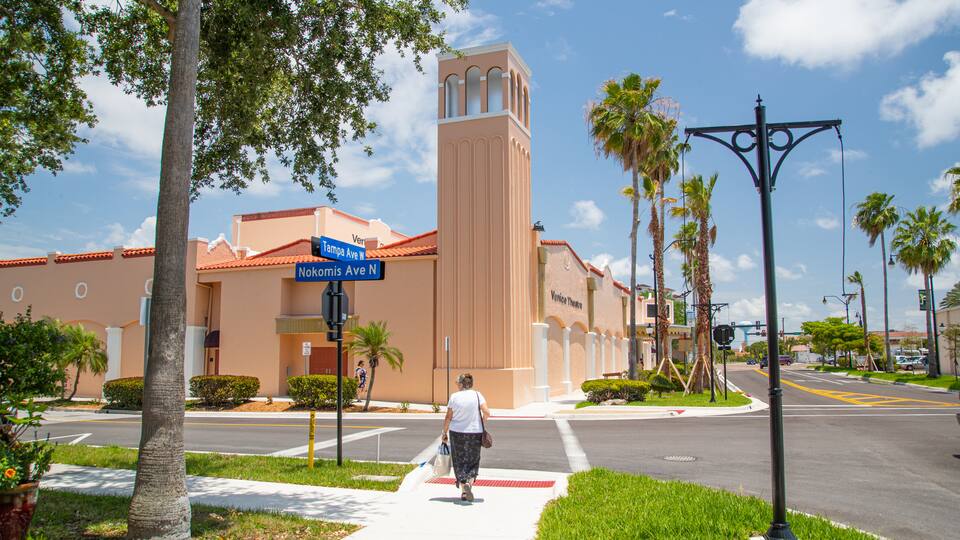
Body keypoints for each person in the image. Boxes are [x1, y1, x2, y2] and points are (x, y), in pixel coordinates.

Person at [440, 373, 490, 502]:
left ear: (461, 384)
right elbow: (487, 412)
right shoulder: (477, 395)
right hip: (475, 432)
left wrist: (444, 433)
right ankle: (469, 484)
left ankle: (464, 487)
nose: (456, 386)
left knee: (459, 461)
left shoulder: (454, 397)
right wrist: (482, 423)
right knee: (473, 459)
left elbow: (448, 417)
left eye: (457, 383)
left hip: (457, 433)